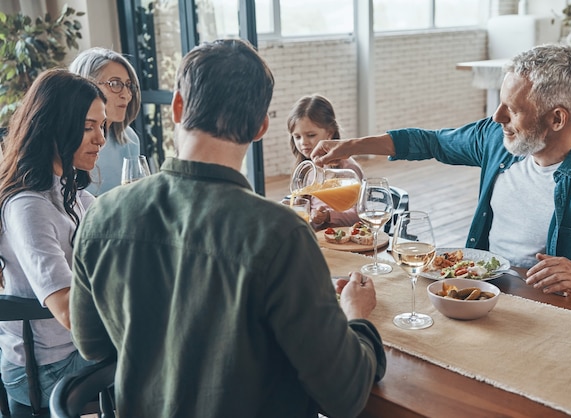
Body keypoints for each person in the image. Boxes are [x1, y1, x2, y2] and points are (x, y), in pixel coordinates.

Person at [70, 39, 386, 418]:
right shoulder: (281, 234)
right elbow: (345, 396)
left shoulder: (101, 216)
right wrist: (357, 317)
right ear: (261, 127)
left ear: (177, 107)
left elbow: (92, 345)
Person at [311, 44, 571, 294]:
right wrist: (352, 146)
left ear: (556, 119)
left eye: (512, 110)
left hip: (556, 310)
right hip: (484, 290)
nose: (496, 116)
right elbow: (431, 142)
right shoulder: (496, 139)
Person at [0, 68, 106, 408]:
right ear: (53, 126)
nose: (101, 138)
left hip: (73, 352)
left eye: (102, 126)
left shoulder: (72, 193)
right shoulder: (28, 205)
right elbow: (68, 312)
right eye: (88, 127)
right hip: (45, 368)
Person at [69, 47, 142, 195]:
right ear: (86, 86)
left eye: (129, 85)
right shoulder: (66, 141)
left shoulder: (130, 139)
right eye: (115, 84)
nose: (127, 95)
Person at [287, 94, 364, 230]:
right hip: (315, 236)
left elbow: (359, 214)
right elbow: (304, 206)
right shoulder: (306, 168)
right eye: (297, 137)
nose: (303, 142)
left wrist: (328, 216)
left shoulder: (348, 169)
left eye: (311, 135)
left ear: (329, 133)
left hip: (340, 237)